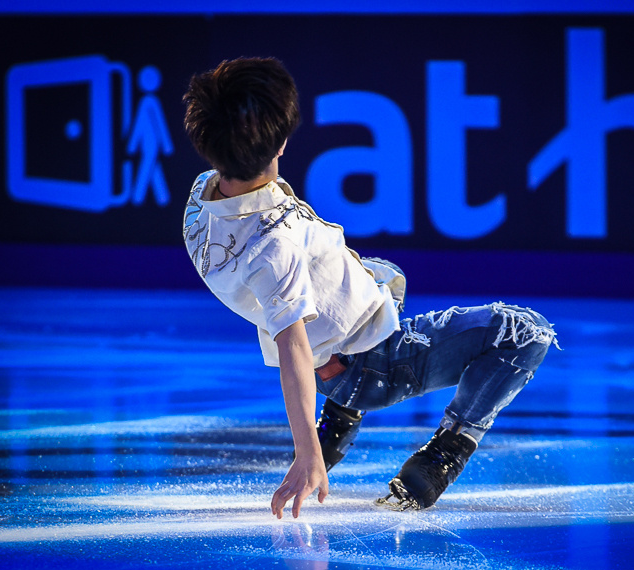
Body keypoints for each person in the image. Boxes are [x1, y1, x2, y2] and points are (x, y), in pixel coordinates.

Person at [182, 57, 558, 519]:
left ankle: (340, 417)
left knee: (385, 273)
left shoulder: (204, 197)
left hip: (338, 348)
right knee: (526, 333)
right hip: (371, 363)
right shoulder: (272, 248)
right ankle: (446, 453)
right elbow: (293, 347)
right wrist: (306, 453)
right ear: (280, 142)